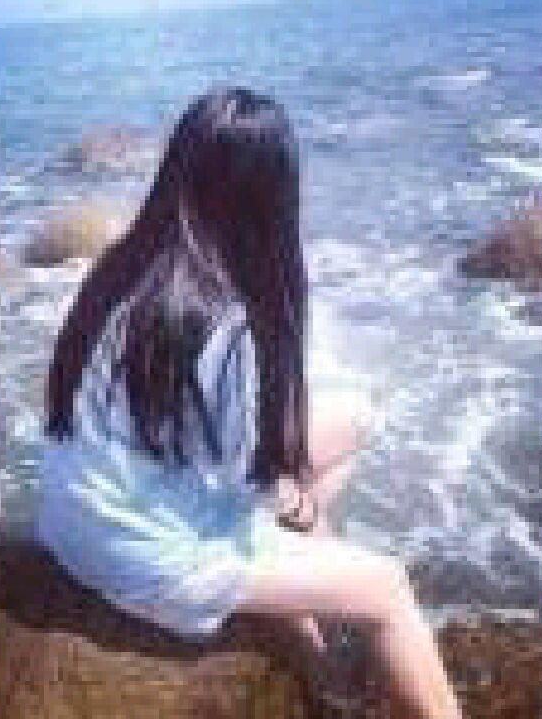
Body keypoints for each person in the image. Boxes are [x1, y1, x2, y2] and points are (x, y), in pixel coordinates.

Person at [33, 87, 462, 718]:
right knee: (388, 587)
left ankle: (318, 664)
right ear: (270, 196)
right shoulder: (222, 318)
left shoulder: (121, 268)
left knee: (321, 456)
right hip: (141, 555)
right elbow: (247, 478)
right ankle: (333, 649)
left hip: (72, 519)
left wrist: (290, 486)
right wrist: (293, 495)